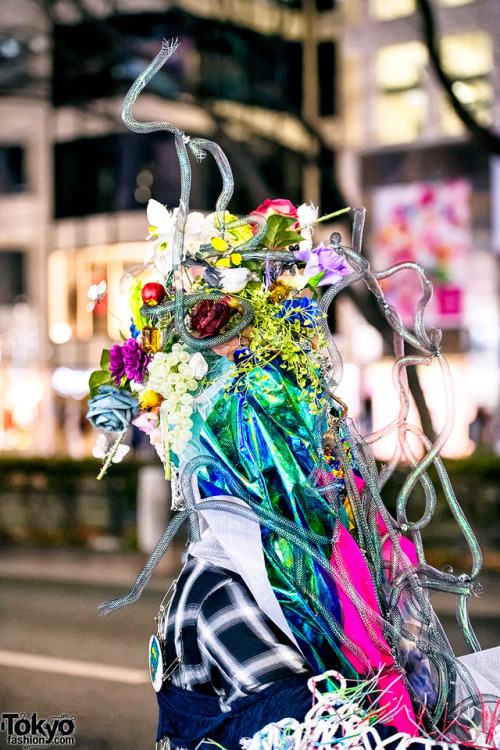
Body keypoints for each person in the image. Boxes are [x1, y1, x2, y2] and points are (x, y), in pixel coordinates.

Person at [87, 40, 500, 750]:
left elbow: (416, 701)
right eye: (278, 442)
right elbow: (322, 734)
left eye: (317, 433)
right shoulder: (221, 593)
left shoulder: (342, 576)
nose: (314, 459)